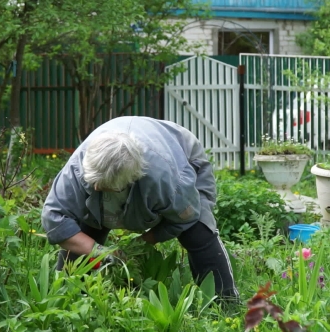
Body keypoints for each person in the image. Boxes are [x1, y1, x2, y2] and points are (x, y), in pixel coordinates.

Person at [41, 116, 239, 299]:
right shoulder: (79, 167)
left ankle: (224, 301)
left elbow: (185, 216)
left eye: (104, 185)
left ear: (131, 180)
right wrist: (101, 252)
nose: (95, 188)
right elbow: (54, 218)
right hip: (115, 161)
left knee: (198, 231)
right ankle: (69, 299)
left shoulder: (166, 180)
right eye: (93, 181)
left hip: (179, 154)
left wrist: (143, 242)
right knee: (83, 232)